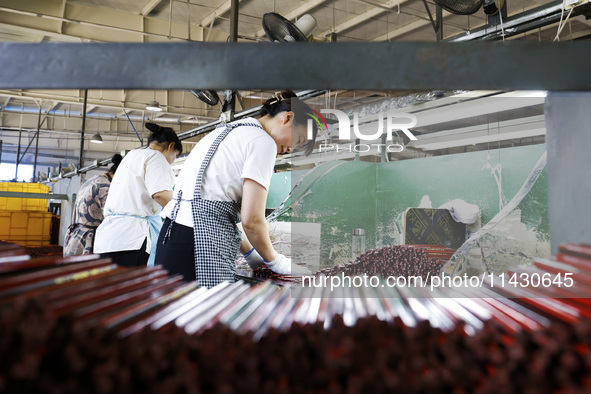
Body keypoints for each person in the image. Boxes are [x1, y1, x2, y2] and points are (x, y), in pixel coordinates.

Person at [155, 90, 316, 288]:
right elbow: (252, 221)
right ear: (288, 118)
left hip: (172, 239)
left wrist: (251, 255)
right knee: (207, 314)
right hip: (199, 248)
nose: (291, 149)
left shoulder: (225, 132)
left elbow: (214, 211)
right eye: (298, 140)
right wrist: (277, 262)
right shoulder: (263, 142)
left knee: (175, 314)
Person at [94, 123, 182, 267]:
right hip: (133, 239)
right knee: (134, 287)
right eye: (176, 156)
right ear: (170, 146)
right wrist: (186, 212)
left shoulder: (132, 156)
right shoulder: (156, 157)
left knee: (113, 288)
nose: (173, 160)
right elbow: (160, 194)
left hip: (108, 240)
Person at [63, 154, 123, 256]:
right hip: (88, 242)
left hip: (75, 238)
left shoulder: (92, 180)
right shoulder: (105, 187)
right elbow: (113, 219)